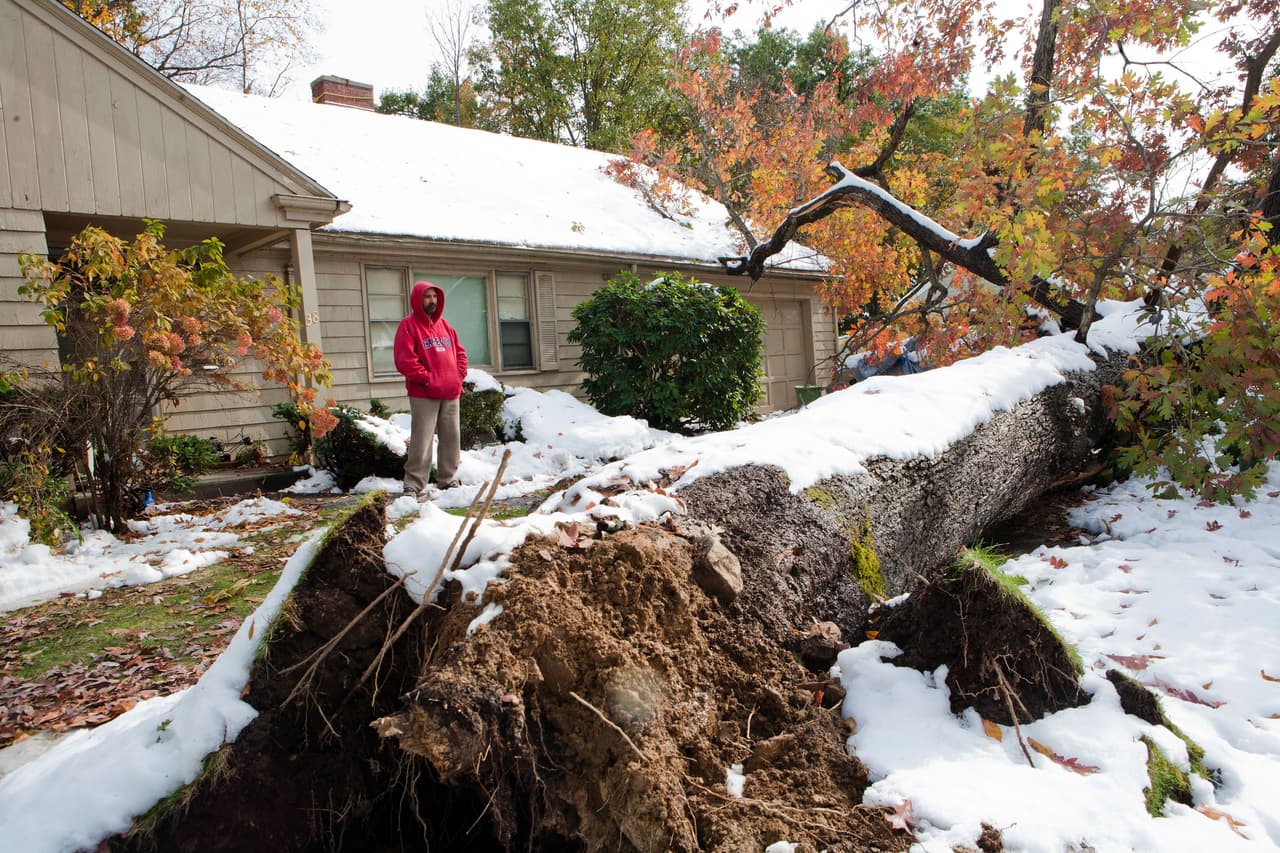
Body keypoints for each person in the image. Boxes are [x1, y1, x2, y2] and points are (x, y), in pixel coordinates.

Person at [394, 280, 468, 498]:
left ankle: (447, 479)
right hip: (424, 393)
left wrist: (457, 376)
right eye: (427, 297)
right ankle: (414, 485)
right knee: (422, 439)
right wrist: (428, 379)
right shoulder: (408, 325)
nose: (432, 301)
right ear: (418, 299)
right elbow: (405, 361)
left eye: (435, 296)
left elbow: (461, 354)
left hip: (451, 392)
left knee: (451, 438)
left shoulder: (446, 327)